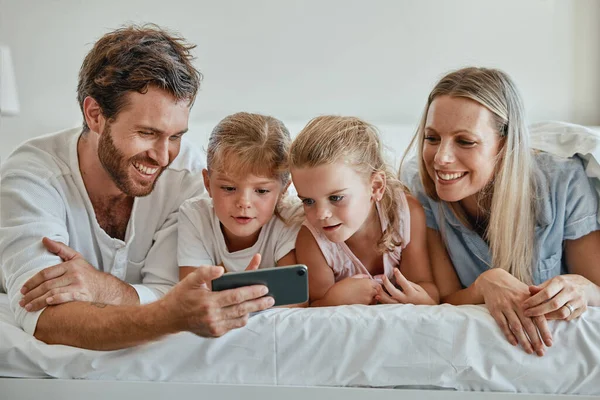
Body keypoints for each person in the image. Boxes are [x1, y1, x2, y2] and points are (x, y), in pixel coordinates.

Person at [0, 25, 273, 351]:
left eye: (175, 136)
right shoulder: (32, 179)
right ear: (95, 115)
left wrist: (104, 288)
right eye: (147, 133)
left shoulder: (189, 176)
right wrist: (167, 317)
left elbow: (170, 290)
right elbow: (46, 319)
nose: (162, 156)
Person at [400, 67, 600, 357]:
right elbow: (442, 298)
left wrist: (582, 288)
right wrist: (485, 284)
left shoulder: (563, 181)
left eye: (465, 141)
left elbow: (596, 288)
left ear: (505, 145)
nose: (441, 158)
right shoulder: (419, 187)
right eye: (432, 138)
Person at [289, 116, 439, 307]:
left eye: (335, 198)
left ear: (376, 187)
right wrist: (333, 301)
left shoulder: (406, 214)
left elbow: (423, 284)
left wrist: (420, 298)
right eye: (308, 201)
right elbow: (313, 308)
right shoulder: (312, 239)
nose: (321, 214)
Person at [178, 112, 303, 285]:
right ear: (207, 183)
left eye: (261, 191)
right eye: (229, 188)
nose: (244, 202)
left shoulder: (291, 218)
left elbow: (297, 300)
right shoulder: (195, 215)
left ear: (283, 191)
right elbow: (192, 294)